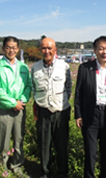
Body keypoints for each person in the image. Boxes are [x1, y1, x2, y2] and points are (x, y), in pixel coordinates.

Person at [74, 36, 106, 178]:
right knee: (90, 152)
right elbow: (79, 93)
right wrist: (78, 114)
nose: (105, 52)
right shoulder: (85, 68)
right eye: (101, 48)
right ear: (95, 51)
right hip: (91, 114)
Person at [0, 36, 32, 176]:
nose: (11, 50)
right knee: (3, 139)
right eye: (8, 47)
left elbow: (28, 86)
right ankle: (2, 166)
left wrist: (21, 101)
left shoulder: (23, 67)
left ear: (18, 49)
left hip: (20, 107)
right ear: (3, 49)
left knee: (19, 138)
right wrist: (12, 103)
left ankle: (17, 165)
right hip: (4, 108)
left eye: (14, 48)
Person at [31, 38, 72, 178]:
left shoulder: (64, 66)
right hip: (43, 111)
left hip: (61, 111)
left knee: (61, 145)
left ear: (55, 50)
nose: (46, 51)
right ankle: (45, 173)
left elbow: (68, 88)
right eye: (43, 48)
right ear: (40, 50)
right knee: (44, 145)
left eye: (49, 48)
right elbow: (33, 88)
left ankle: (62, 173)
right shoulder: (35, 67)